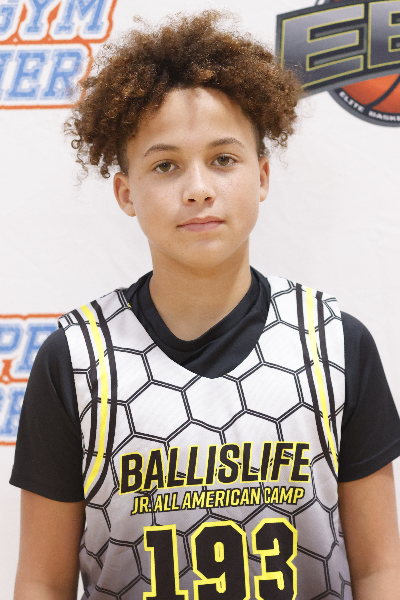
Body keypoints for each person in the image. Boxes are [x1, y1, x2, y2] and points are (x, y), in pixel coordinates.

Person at [10, 10, 400, 600]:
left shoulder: (336, 346)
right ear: (126, 192)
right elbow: (42, 581)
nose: (198, 189)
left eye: (223, 159)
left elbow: (379, 570)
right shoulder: (76, 361)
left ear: (261, 176)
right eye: (165, 165)